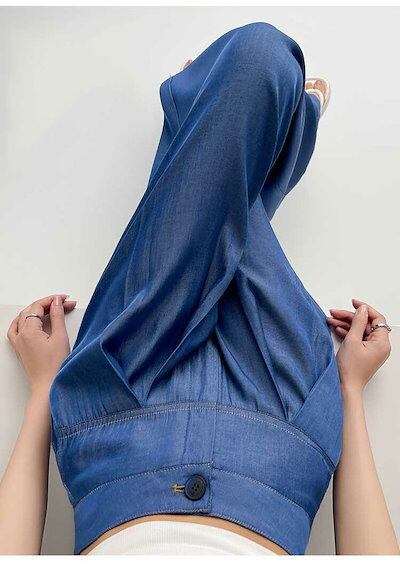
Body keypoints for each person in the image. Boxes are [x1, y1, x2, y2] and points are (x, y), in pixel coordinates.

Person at [0, 22, 398, 556]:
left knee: (259, 58)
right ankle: (202, 113)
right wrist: (349, 388)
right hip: (280, 439)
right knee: (262, 56)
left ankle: (202, 117)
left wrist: (45, 385)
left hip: (115, 423)